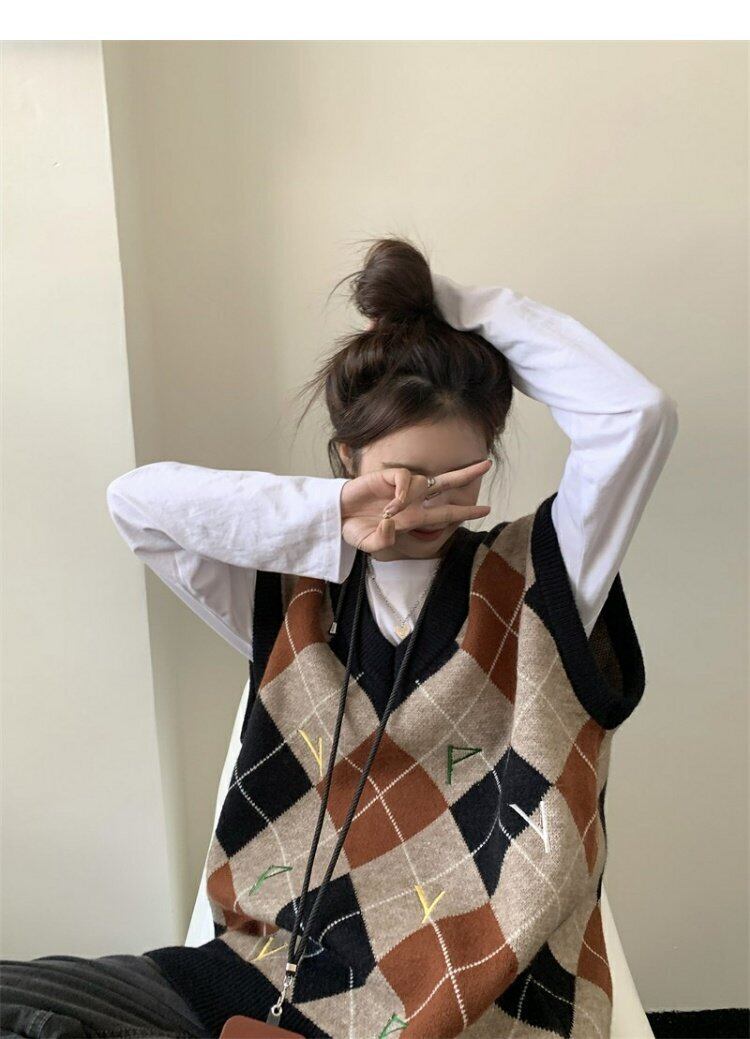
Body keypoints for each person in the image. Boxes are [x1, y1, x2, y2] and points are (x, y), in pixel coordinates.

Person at [1, 237, 678, 1039]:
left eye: (455, 479)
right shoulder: (292, 589)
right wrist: (328, 515)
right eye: (400, 477)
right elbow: (136, 502)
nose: (422, 506)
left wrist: (460, 308)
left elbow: (636, 417)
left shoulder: (546, 577)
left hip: (466, 1005)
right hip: (263, 975)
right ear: (348, 455)